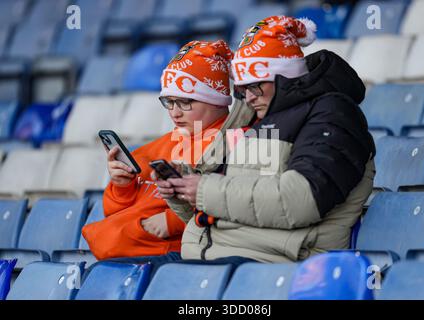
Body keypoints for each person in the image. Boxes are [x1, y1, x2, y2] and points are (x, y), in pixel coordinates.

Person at [158, 16, 376, 263]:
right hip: (213, 258)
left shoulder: (332, 114)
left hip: (270, 265)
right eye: (242, 89)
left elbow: (300, 201)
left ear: (285, 76)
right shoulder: (253, 117)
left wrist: (204, 189)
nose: (249, 97)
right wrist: (182, 191)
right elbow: (217, 212)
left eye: (256, 85)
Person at [82, 40, 242, 260]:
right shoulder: (159, 146)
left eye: (185, 102)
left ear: (215, 100)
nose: (175, 113)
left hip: (177, 254)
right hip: (128, 254)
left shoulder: (237, 143)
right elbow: (114, 212)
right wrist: (122, 187)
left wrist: (172, 221)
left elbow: (237, 204)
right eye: (169, 102)